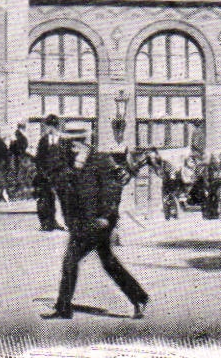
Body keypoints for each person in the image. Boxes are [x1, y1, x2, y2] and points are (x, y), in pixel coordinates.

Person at [43, 135, 148, 320]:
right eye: (70, 147)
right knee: (108, 262)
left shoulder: (101, 159)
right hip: (84, 223)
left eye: (76, 146)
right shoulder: (77, 165)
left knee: (71, 261)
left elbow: (113, 189)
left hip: (98, 223)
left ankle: (64, 307)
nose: (73, 150)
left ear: (86, 144)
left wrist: (106, 216)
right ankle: (139, 297)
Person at [32, 116, 65, 231]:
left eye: (51, 127)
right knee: (45, 199)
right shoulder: (43, 141)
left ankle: (58, 222)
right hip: (45, 176)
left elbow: (66, 159)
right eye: (47, 127)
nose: (49, 129)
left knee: (60, 199)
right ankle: (46, 222)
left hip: (59, 176)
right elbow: (38, 159)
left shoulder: (62, 141)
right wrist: (42, 173)